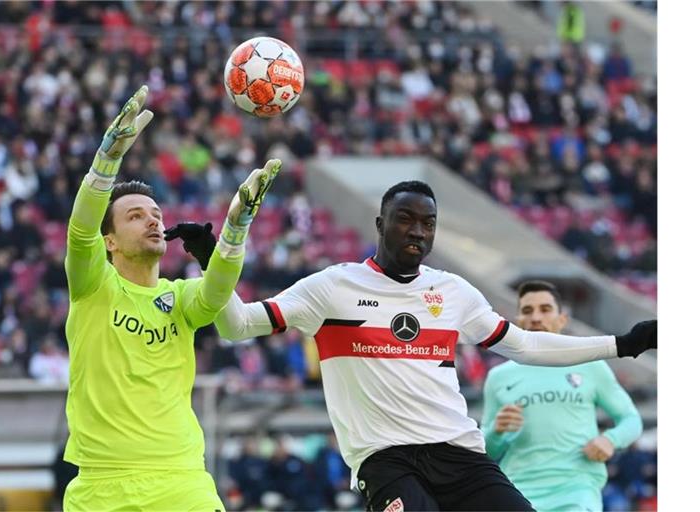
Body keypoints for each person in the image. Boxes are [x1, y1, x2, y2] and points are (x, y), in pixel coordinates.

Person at [176, 179, 657, 512]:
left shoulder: (453, 292)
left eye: (428, 223)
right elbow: (238, 325)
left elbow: (527, 345)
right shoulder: (331, 287)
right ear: (380, 222)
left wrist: (626, 344)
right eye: (406, 219)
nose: (418, 231)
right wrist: (214, 261)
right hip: (386, 459)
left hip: (458, 452)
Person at [61, 85, 281, 511]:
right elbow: (79, 230)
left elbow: (217, 293)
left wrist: (235, 229)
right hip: (101, 486)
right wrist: (105, 164)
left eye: (157, 214)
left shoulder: (179, 299)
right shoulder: (93, 285)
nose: (152, 221)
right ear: (110, 241)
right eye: (135, 215)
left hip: (181, 481)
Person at [481, 280, 643, 511]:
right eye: (527, 310)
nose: (536, 317)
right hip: (517, 490)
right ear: (517, 321)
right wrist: (496, 431)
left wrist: (610, 440)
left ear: (562, 319)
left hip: (576, 488)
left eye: (545, 309)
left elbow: (631, 419)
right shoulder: (499, 376)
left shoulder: (591, 366)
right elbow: (486, 451)